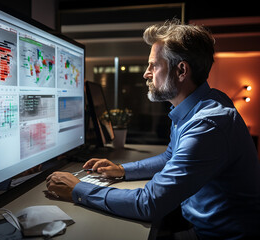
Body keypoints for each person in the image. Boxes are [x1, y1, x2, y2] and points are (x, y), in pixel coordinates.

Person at [46, 20, 260, 239]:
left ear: (181, 70)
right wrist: (123, 170)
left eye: (153, 65)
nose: (146, 74)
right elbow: (171, 156)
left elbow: (149, 203)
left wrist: (78, 190)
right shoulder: (202, 104)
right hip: (197, 223)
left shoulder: (207, 124)